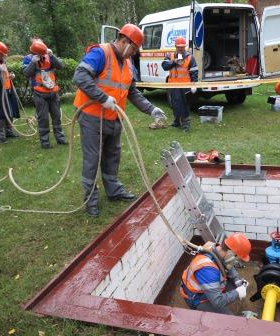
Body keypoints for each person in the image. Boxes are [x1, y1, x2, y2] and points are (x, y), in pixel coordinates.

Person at [73, 23, 167, 217]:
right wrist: (103, 98)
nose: (133, 53)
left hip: (114, 118)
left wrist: (152, 109)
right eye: (133, 49)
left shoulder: (128, 62)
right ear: (124, 41)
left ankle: (113, 190)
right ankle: (90, 199)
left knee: (112, 155)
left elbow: (132, 92)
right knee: (92, 158)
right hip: (92, 117)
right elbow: (80, 76)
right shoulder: (100, 53)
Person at [180, 233, 251, 315]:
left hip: (207, 287)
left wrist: (236, 279)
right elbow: (218, 302)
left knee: (237, 286)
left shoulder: (216, 248)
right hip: (198, 298)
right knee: (229, 320)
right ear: (231, 254)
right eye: (237, 259)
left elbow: (228, 264)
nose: (236, 262)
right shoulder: (207, 270)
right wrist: (237, 292)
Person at [22, 39, 67, 149]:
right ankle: (45, 142)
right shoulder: (28, 59)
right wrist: (33, 62)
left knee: (56, 116)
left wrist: (52, 56)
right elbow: (26, 73)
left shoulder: (49, 55)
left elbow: (60, 66)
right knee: (43, 118)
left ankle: (60, 138)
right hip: (39, 93)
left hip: (53, 92)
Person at [161, 36, 198, 132]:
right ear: (175, 46)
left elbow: (194, 71)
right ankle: (176, 121)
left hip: (185, 86)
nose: (181, 49)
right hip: (173, 85)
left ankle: (186, 124)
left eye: (182, 47)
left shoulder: (190, 57)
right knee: (175, 103)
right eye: (179, 47)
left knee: (185, 104)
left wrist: (194, 84)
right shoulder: (170, 56)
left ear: (185, 46)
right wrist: (174, 62)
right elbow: (164, 66)